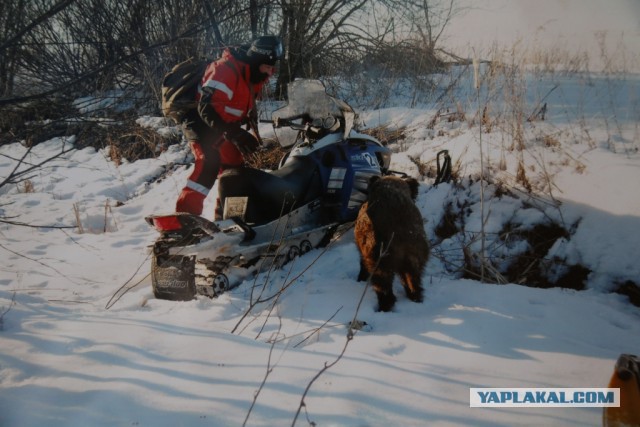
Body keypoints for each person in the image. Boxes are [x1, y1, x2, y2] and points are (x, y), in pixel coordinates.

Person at [175, 35, 284, 217]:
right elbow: (207, 109)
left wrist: (244, 130)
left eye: (273, 68)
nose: (270, 73)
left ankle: (228, 217)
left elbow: (235, 106)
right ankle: (184, 220)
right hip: (200, 120)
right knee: (209, 163)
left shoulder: (253, 75)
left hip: (223, 126)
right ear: (257, 61)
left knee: (235, 171)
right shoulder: (225, 70)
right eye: (268, 67)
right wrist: (235, 134)